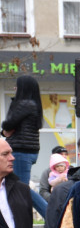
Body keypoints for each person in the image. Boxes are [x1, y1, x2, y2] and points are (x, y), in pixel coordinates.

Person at [1, 76, 46, 216]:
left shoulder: (24, 104)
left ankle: (53, 216)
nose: (15, 88)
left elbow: (7, 125)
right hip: (27, 151)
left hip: (21, 152)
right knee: (13, 186)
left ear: (23, 88)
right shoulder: (33, 104)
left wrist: (4, 130)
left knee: (21, 188)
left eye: (17, 86)